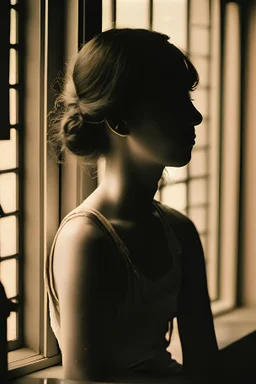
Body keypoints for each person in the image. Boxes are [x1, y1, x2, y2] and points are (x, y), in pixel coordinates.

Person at [45, 28, 256, 383]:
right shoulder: (86, 241)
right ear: (119, 121)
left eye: (188, 98)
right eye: (173, 102)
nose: (195, 118)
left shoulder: (178, 230)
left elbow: (205, 365)